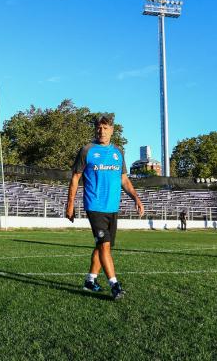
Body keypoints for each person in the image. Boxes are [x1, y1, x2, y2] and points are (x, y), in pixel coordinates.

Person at [66, 113, 144, 300]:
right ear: (95, 129)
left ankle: (90, 281)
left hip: (112, 207)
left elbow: (123, 179)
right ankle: (115, 285)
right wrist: (69, 205)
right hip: (94, 205)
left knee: (101, 246)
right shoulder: (87, 150)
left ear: (112, 130)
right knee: (105, 246)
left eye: (106, 127)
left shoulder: (118, 152)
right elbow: (75, 178)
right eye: (99, 127)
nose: (102, 131)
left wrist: (136, 198)